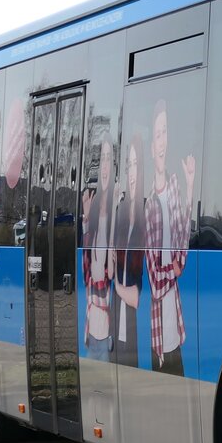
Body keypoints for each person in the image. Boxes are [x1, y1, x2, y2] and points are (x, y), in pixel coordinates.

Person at [144, 99, 194, 376]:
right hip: (158, 333)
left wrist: (189, 187)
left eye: (165, 133)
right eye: (158, 134)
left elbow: (184, 239)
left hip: (174, 322)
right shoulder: (149, 203)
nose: (162, 141)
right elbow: (154, 280)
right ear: (152, 148)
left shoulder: (175, 187)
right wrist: (174, 269)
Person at [112, 133, 145, 368]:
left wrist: (116, 283)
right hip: (116, 326)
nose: (131, 174)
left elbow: (136, 297)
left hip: (131, 331)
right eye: (129, 166)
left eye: (136, 165)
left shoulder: (146, 217)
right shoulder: (121, 217)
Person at [81, 139, 115, 363]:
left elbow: (109, 273)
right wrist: (85, 219)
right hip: (91, 328)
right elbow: (88, 272)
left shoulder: (116, 202)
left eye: (109, 159)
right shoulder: (92, 204)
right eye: (101, 158)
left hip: (104, 331)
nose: (104, 164)